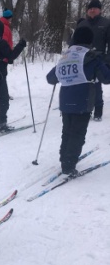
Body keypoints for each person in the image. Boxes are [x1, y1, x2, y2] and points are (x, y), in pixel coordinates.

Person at [46, 26, 110, 176]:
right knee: (78, 134)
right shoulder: (92, 57)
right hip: (83, 102)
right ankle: (69, 165)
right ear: (90, 41)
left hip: (65, 103)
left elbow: (50, 78)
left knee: (67, 132)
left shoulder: (66, 56)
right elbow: (106, 78)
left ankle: (65, 159)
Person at [75, 0, 110, 121]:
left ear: (99, 10)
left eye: (94, 8)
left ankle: (98, 111)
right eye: (90, 8)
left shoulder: (106, 23)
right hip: (82, 60)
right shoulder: (82, 24)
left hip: (98, 59)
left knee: (96, 86)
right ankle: (86, 110)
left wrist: (107, 60)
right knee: (83, 85)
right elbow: (74, 42)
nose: (92, 10)